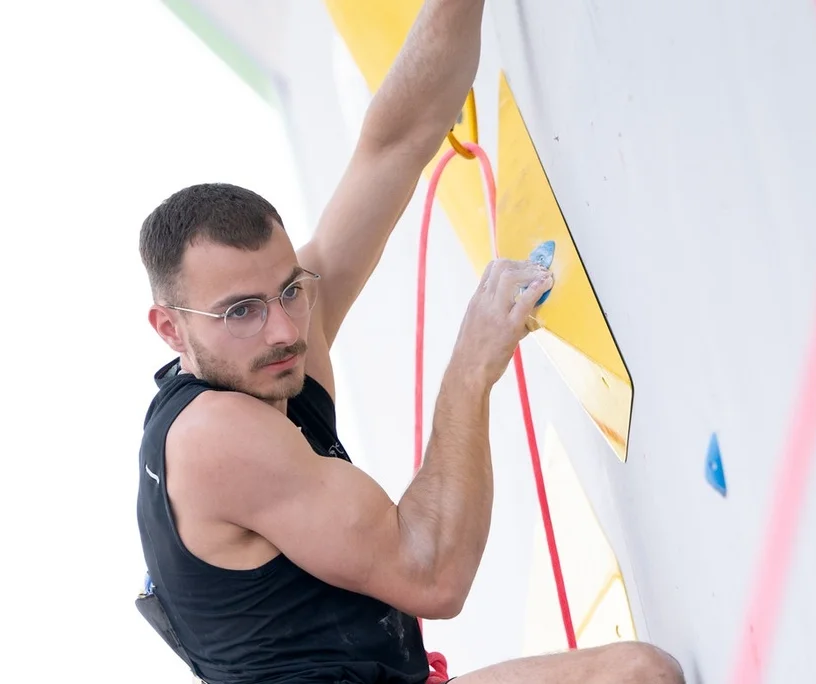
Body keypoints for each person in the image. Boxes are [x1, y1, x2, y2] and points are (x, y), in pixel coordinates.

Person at [134, 1, 685, 682]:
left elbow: (395, 142)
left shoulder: (276, 340)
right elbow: (432, 572)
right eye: (241, 310)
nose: (284, 330)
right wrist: (471, 364)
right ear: (171, 329)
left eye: (289, 289)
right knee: (634, 675)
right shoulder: (213, 438)